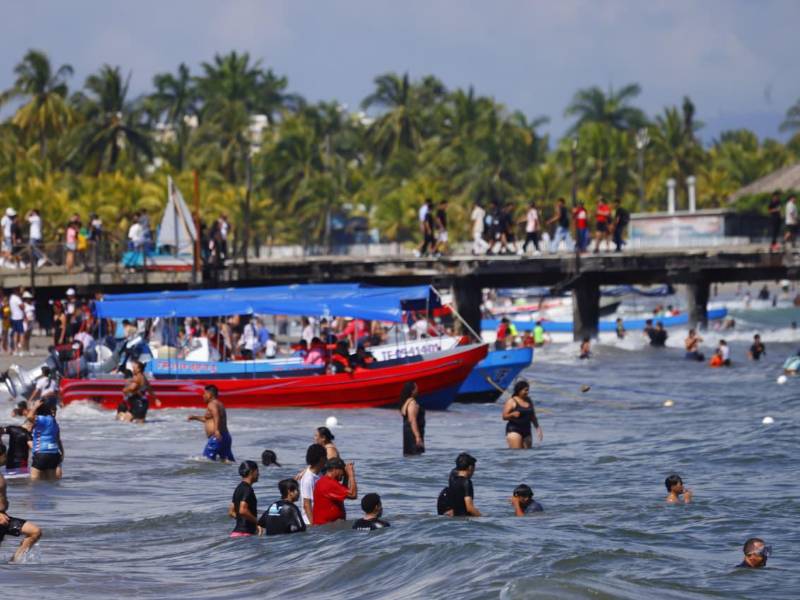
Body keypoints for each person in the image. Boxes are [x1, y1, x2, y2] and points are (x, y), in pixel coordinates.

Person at [0, 442, 42, 562]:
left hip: (4, 518)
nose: (7, 457)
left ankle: (14, 562)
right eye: (5, 454)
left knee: (35, 531)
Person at [187, 385, 234, 463]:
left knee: (206, 461)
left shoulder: (212, 404)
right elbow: (208, 420)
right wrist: (195, 417)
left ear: (209, 395)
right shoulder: (219, 403)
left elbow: (216, 415)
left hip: (217, 438)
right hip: (225, 437)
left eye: (204, 394)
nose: (203, 396)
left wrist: (216, 430)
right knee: (227, 462)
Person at [26, 398, 63, 481]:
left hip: (42, 453)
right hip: (54, 453)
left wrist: (34, 406)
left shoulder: (40, 419)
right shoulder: (54, 421)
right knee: (51, 481)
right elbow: (57, 439)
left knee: (34, 482)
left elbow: (29, 417)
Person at [312, 457, 358, 526]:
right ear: (335, 469)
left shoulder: (323, 481)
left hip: (324, 527)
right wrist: (351, 474)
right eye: (342, 470)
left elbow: (344, 493)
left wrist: (346, 477)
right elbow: (353, 494)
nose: (343, 473)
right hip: (327, 529)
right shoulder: (329, 484)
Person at [502, 380, 543, 448]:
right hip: (514, 430)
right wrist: (512, 414)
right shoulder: (511, 401)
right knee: (517, 454)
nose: (527, 392)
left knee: (527, 455)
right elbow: (504, 417)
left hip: (527, 430)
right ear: (519, 390)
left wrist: (538, 428)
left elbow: (533, 416)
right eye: (525, 390)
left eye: (528, 390)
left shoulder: (529, 400)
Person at [439, 453, 480, 517]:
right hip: (461, 517)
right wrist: (482, 517)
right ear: (470, 467)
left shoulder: (452, 476)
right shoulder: (466, 482)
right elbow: (470, 508)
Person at [228, 460, 262, 537]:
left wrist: (242, 521)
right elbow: (243, 510)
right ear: (251, 472)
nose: (259, 474)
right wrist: (256, 522)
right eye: (257, 471)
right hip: (245, 534)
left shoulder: (238, 488)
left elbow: (231, 512)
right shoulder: (247, 489)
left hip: (235, 534)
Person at [298, 443, 326, 526]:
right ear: (321, 459)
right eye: (325, 457)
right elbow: (307, 504)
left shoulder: (319, 473)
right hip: (309, 521)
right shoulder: (308, 479)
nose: (327, 459)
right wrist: (313, 524)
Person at [400, 382, 425, 456]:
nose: (418, 390)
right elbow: (412, 420)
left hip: (407, 434)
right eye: (416, 388)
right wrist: (418, 437)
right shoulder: (412, 403)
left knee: (408, 456)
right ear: (412, 391)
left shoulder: (406, 402)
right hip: (413, 435)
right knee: (415, 456)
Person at [8, 287, 24, 355]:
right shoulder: (17, 299)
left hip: (13, 317)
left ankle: (15, 350)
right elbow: (22, 307)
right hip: (19, 317)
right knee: (21, 334)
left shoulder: (11, 298)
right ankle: (20, 350)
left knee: (15, 334)